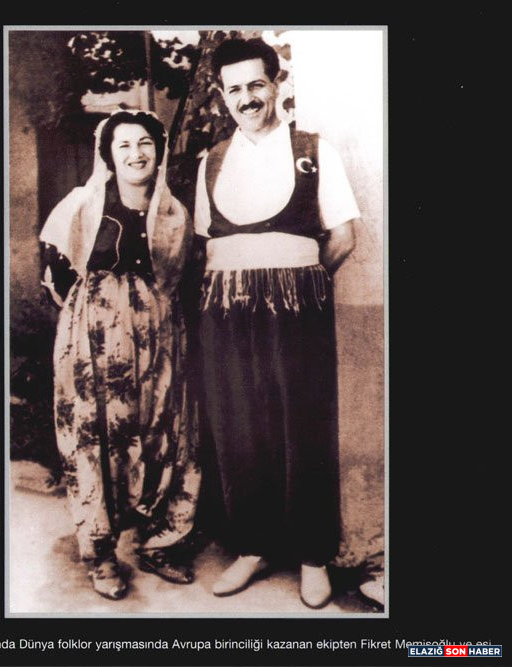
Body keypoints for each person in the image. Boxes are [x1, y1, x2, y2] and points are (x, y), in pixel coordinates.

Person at [194, 38, 360, 608]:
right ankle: (252, 547)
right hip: (225, 311)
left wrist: (296, 283)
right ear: (222, 95)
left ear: (276, 84)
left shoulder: (314, 151)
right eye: (234, 89)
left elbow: (343, 237)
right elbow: (206, 244)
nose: (246, 98)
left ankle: (313, 557)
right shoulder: (211, 161)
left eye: (256, 85)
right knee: (239, 424)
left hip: (297, 310)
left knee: (305, 424)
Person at [39, 110, 200, 600]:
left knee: (166, 431)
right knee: (96, 437)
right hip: (95, 335)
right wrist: (101, 318)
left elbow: (183, 277)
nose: (136, 153)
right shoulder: (81, 204)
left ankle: (160, 542)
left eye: (145, 142)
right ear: (108, 154)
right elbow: (56, 276)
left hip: (161, 334)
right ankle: (101, 553)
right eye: (124, 144)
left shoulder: (174, 212)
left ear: (158, 149)